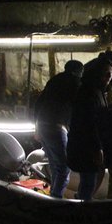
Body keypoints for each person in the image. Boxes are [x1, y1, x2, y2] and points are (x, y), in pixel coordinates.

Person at [33, 59, 83, 198]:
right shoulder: (76, 83)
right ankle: (56, 199)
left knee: (55, 165)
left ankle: (52, 195)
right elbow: (78, 109)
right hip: (56, 127)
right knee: (63, 168)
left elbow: (38, 103)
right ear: (78, 72)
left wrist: (36, 126)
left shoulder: (54, 80)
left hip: (43, 125)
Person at [67, 58, 112, 201]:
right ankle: (84, 206)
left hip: (87, 143)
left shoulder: (96, 91)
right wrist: (97, 148)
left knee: (88, 178)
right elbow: (89, 123)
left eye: (110, 74)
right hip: (85, 145)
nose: (108, 78)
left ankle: (83, 199)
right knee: (88, 179)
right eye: (105, 73)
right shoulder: (89, 93)